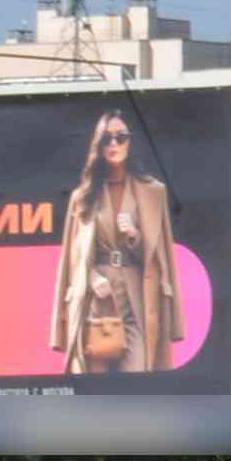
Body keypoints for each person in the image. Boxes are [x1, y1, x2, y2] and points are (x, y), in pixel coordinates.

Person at [52, 109, 183, 378]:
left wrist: (134, 235)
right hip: (96, 300)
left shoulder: (153, 191)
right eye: (107, 139)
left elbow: (162, 257)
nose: (114, 144)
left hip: (137, 295)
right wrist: (90, 277)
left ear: (131, 142)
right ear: (98, 146)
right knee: (94, 386)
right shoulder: (83, 196)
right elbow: (72, 257)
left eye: (120, 137)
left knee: (137, 378)